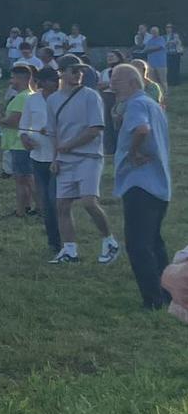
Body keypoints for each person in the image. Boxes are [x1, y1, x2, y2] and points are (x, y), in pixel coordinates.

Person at [48, 55, 120, 267]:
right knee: (62, 205)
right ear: (61, 72)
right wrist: (55, 158)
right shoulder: (52, 100)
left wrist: (69, 145)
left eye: (80, 71)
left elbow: (95, 129)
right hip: (65, 159)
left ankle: (109, 241)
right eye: (73, 70)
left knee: (89, 201)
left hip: (88, 157)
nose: (78, 74)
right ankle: (69, 250)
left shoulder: (91, 96)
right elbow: (53, 133)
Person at [110, 63, 172, 309]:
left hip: (140, 184)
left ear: (133, 82)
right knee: (155, 243)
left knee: (138, 245)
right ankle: (169, 292)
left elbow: (142, 128)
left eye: (117, 80)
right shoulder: (152, 104)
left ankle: (152, 300)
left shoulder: (136, 104)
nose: (113, 84)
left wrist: (133, 151)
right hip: (159, 183)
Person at [22, 65, 62, 255]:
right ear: (42, 83)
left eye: (56, 80)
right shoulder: (32, 100)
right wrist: (24, 137)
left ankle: (65, 239)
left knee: (56, 200)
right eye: (51, 80)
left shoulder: (63, 99)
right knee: (45, 200)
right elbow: (24, 123)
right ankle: (53, 241)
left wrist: (53, 131)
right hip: (37, 155)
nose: (55, 83)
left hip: (58, 156)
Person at [0, 63, 38, 217]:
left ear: (21, 79)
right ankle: (29, 207)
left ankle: (24, 211)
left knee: (23, 179)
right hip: (20, 143)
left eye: (13, 78)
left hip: (19, 144)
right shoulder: (28, 95)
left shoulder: (22, 97)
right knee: (27, 178)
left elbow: (14, 121)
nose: (10, 81)